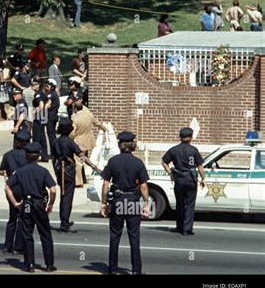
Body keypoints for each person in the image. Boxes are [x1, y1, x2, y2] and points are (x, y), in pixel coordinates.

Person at [100, 131, 150, 275]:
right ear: (132, 145)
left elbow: (105, 184)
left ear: (120, 145)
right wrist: (146, 204)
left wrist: (104, 203)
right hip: (133, 201)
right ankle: (136, 270)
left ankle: (113, 269)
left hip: (117, 201)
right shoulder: (138, 163)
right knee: (134, 238)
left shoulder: (113, 161)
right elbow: (144, 186)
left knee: (114, 237)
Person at [5, 142, 57, 273]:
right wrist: (50, 204)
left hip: (26, 204)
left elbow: (7, 187)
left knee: (27, 235)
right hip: (39, 204)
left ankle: (30, 265)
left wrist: (15, 203)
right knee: (45, 234)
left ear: (26, 156)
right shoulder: (43, 171)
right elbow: (53, 190)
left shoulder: (20, 171)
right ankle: (49, 264)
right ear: (38, 156)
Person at [52, 117, 102, 232]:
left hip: (60, 170)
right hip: (68, 170)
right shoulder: (69, 142)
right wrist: (95, 167)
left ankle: (64, 219)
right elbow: (82, 156)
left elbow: (54, 159)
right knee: (67, 197)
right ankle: (64, 223)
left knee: (63, 196)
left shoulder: (55, 142)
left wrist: (56, 172)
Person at [162, 127, 206, 236]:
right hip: (191, 179)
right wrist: (203, 178)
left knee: (180, 203)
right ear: (191, 138)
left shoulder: (174, 149)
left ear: (180, 137)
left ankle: (179, 226)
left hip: (179, 179)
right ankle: (187, 229)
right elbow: (200, 166)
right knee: (190, 204)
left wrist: (170, 173)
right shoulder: (194, 150)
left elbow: (164, 162)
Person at [0, 130, 31, 254]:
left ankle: (8, 245)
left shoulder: (8, 155)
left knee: (12, 218)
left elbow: (1, 171)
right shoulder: (29, 155)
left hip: (12, 189)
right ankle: (18, 246)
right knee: (23, 218)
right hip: (25, 189)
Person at [71, 101, 107, 187]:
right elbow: (97, 123)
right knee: (83, 159)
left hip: (78, 141)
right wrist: (105, 129)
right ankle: (85, 177)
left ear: (75, 109)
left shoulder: (75, 118)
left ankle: (78, 182)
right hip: (87, 141)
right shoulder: (89, 115)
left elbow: (72, 132)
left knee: (77, 162)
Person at [32, 82, 49, 162]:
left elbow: (41, 105)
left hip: (38, 119)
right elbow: (49, 101)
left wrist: (35, 111)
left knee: (37, 138)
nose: (32, 86)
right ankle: (44, 156)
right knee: (42, 138)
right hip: (43, 118)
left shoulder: (38, 94)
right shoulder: (42, 93)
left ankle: (36, 156)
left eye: (34, 85)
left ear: (38, 85)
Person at [43, 79, 60, 158]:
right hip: (52, 115)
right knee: (51, 135)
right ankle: (54, 152)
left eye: (48, 85)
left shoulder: (51, 94)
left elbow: (46, 104)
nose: (46, 86)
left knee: (51, 135)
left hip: (51, 116)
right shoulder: (52, 93)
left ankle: (54, 153)